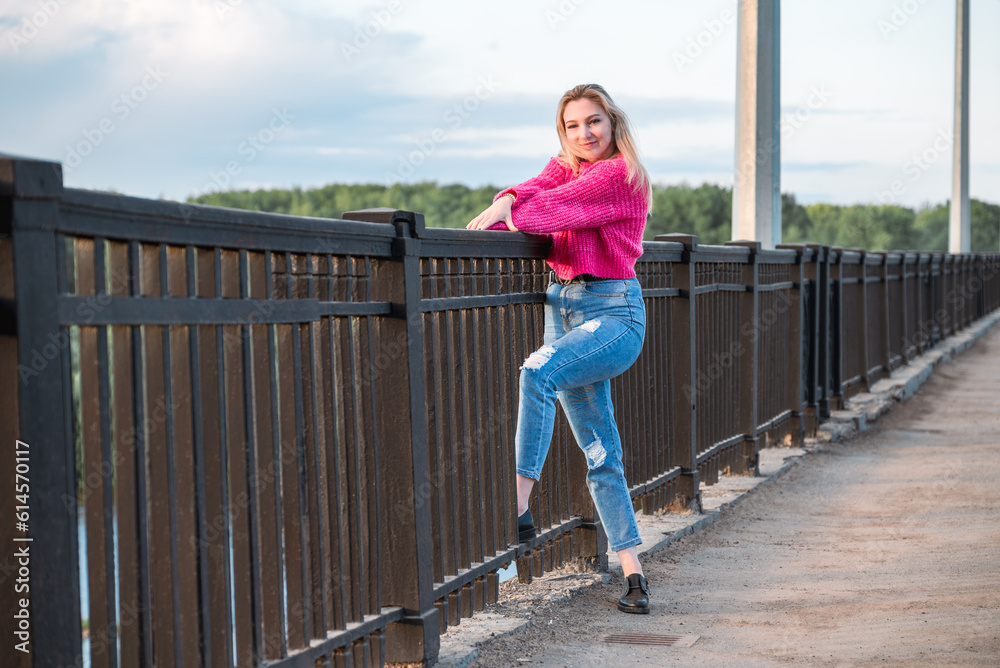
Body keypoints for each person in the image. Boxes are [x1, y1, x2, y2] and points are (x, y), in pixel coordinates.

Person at [466, 83, 652, 614]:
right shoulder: (565, 167)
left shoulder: (620, 176)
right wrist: (507, 195)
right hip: (562, 311)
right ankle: (634, 575)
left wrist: (512, 205)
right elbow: (532, 187)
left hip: (613, 314)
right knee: (600, 450)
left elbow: (547, 211)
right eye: (572, 125)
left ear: (613, 123)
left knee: (536, 372)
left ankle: (517, 506)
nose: (584, 133)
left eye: (593, 122)